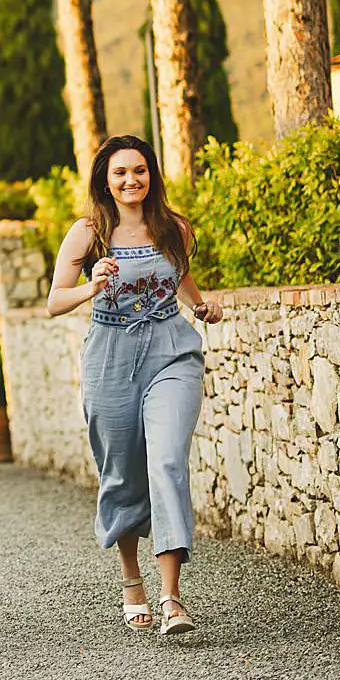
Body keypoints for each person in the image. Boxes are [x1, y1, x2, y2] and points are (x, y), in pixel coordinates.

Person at [46, 133, 223, 637]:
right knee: (121, 471)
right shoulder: (87, 233)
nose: (131, 180)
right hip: (111, 356)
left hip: (172, 350)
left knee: (166, 461)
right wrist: (91, 285)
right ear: (105, 177)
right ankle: (131, 580)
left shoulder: (174, 227)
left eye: (139, 171)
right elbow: (54, 301)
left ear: (152, 175)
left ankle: (171, 597)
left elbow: (182, 282)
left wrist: (202, 305)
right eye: (121, 172)